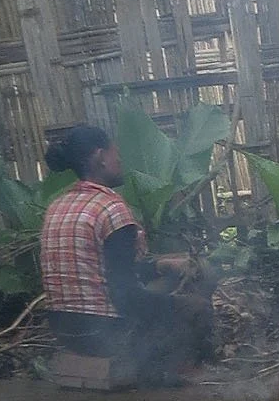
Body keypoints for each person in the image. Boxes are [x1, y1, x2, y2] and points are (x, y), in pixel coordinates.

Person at [39, 123, 214, 384]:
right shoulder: (110, 208)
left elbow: (102, 270)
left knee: (165, 286)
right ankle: (172, 371)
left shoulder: (57, 206)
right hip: (104, 334)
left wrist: (160, 266)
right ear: (100, 157)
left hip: (65, 330)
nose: (120, 161)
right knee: (197, 308)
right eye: (115, 155)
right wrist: (178, 306)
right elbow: (125, 296)